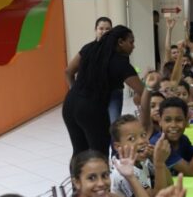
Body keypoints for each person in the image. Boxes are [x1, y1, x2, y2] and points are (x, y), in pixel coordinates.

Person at [62, 25, 145, 157]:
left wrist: (76, 93)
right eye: (131, 42)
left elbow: (68, 71)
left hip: (70, 103)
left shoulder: (89, 48)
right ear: (120, 42)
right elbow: (143, 91)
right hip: (91, 108)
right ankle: (101, 176)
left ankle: (77, 178)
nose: (133, 46)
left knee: (79, 151)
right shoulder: (120, 62)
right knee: (99, 153)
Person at [109, 115, 172, 197]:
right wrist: (159, 163)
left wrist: (158, 161)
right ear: (117, 146)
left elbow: (170, 185)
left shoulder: (142, 161)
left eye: (143, 135)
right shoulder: (122, 173)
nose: (142, 141)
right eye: (132, 139)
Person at [149, 97, 193, 176]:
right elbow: (192, 171)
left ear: (186, 121)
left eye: (179, 120)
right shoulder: (159, 144)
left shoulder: (183, 139)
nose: (173, 125)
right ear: (160, 121)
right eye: (168, 120)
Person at [65, 17, 113, 89]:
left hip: (111, 92)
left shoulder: (116, 49)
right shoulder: (87, 49)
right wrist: (73, 91)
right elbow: (68, 71)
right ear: (95, 30)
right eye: (101, 28)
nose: (104, 32)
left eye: (107, 29)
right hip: (90, 93)